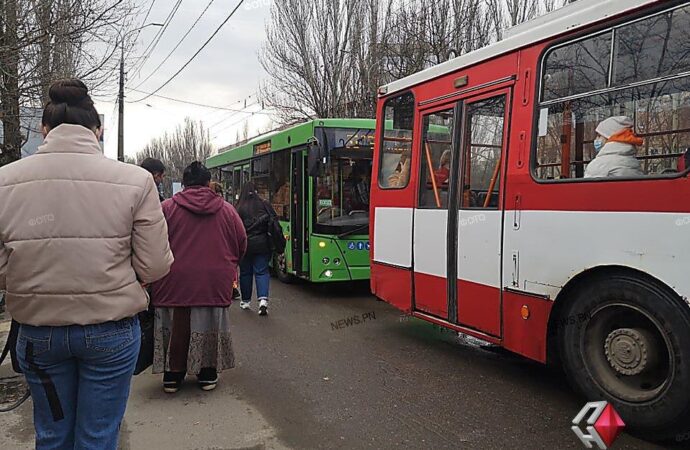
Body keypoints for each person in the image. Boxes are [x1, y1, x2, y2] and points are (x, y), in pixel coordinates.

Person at [0, 78, 174, 450]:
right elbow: (155, 265)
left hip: (37, 330)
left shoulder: (5, 182)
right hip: (109, 332)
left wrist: (27, 280)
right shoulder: (136, 181)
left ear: (44, 130)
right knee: (97, 437)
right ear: (98, 131)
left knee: (51, 435)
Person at [151, 162, 246, 393]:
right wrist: (228, 264)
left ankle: (173, 375)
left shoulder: (166, 209)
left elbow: (151, 242)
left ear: (183, 184)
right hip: (213, 280)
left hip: (172, 278)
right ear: (207, 182)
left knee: (174, 324)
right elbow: (241, 242)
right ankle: (207, 374)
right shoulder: (226, 210)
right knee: (209, 324)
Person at [237, 182, 279, 316]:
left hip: (245, 245)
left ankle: (246, 301)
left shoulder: (239, 207)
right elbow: (273, 221)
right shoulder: (264, 204)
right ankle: (263, 301)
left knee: (245, 273)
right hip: (262, 244)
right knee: (262, 271)